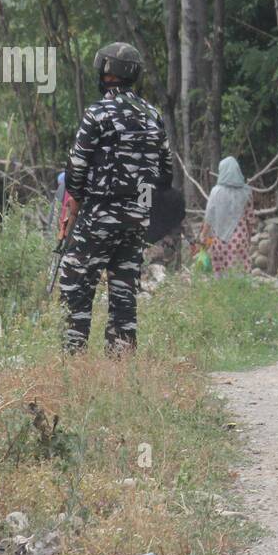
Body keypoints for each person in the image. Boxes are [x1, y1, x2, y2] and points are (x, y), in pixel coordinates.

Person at [57, 42, 172, 355]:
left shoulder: (97, 114)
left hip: (98, 216)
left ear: (107, 73)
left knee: (75, 288)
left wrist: (75, 206)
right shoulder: (153, 115)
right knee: (124, 296)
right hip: (137, 222)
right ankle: (120, 369)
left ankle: (73, 365)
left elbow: (76, 168)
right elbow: (166, 173)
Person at [198, 156, 255, 275]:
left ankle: (223, 291)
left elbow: (209, 217)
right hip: (239, 238)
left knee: (221, 273)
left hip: (219, 239)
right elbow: (250, 219)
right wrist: (248, 238)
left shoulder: (216, 192)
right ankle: (242, 292)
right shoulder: (246, 192)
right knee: (239, 272)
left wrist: (203, 235)